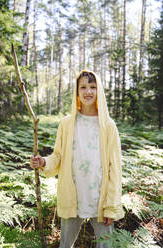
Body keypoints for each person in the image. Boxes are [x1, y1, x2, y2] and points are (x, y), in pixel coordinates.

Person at [30, 69, 124, 248]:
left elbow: (115, 169)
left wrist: (110, 206)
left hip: (100, 201)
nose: (88, 91)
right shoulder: (67, 124)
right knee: (65, 244)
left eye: (93, 87)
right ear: (76, 91)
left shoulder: (108, 126)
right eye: (83, 87)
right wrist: (43, 162)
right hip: (72, 198)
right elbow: (58, 156)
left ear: (99, 90)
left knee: (106, 245)